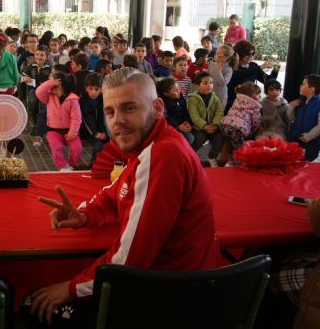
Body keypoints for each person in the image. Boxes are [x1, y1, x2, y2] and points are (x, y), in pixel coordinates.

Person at [26, 68, 220, 327]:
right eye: (110, 112)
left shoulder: (164, 155)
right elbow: (118, 189)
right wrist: (85, 214)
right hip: (176, 283)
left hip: (168, 298)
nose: (117, 121)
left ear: (158, 108)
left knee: (32, 306)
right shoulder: (152, 144)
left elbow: (128, 261)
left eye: (130, 109)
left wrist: (70, 288)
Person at [35, 72, 82, 172]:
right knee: (56, 148)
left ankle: (69, 165)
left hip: (69, 131)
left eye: (52, 83)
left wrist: (73, 132)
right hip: (53, 130)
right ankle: (62, 166)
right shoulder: (49, 96)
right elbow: (38, 92)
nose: (49, 86)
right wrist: (51, 82)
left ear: (59, 85)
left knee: (77, 148)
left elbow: (76, 117)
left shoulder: (72, 99)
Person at [228, 40, 277, 111]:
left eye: (252, 54)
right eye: (248, 54)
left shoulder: (253, 66)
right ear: (240, 53)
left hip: (251, 101)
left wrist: (275, 70)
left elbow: (268, 81)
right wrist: (260, 68)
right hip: (234, 101)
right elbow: (241, 75)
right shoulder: (232, 66)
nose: (251, 56)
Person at [187, 72, 224, 166]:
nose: (209, 85)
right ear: (197, 87)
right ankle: (190, 157)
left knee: (219, 138)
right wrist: (204, 126)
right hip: (199, 127)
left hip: (213, 126)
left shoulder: (215, 98)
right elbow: (194, 115)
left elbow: (219, 112)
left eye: (211, 83)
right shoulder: (192, 99)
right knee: (198, 139)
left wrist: (215, 124)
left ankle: (212, 157)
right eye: (205, 83)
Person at [220, 82, 262, 160]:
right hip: (237, 129)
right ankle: (236, 164)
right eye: (258, 95)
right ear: (252, 96)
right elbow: (256, 121)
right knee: (239, 149)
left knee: (227, 144)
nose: (260, 97)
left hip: (224, 125)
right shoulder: (255, 106)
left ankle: (222, 160)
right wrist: (252, 131)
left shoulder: (237, 99)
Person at [288, 74, 320, 162]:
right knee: (291, 161)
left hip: (310, 142)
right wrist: (291, 106)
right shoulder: (300, 101)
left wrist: (308, 136)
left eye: (303, 84)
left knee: (304, 164)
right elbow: (291, 118)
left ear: (312, 89)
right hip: (294, 139)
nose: (300, 86)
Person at [22, 45, 51, 145]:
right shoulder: (31, 66)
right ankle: (35, 123)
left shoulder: (49, 67)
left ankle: (43, 126)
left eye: (42, 55)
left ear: (46, 56)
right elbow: (23, 76)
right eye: (37, 54)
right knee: (33, 102)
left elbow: (52, 79)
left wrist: (47, 83)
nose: (39, 57)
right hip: (33, 90)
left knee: (44, 107)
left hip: (45, 92)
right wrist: (25, 78)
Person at [79, 73, 108, 163]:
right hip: (87, 131)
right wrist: (95, 133)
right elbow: (86, 119)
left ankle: (107, 165)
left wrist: (103, 132)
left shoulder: (102, 98)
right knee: (98, 146)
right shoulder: (83, 100)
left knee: (111, 143)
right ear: (86, 88)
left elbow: (102, 118)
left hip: (99, 130)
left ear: (101, 89)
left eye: (96, 89)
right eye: (90, 89)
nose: (93, 92)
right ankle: (93, 166)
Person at [158, 77, 193, 145]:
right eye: (176, 90)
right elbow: (166, 118)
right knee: (189, 138)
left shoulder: (180, 96)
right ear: (166, 94)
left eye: (179, 89)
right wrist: (178, 126)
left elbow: (185, 110)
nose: (179, 91)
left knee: (194, 136)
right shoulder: (164, 103)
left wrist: (187, 121)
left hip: (183, 124)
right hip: (172, 127)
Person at [208, 44, 237, 109]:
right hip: (209, 94)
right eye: (216, 53)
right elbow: (207, 77)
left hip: (221, 96)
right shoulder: (212, 64)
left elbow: (223, 83)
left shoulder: (229, 69)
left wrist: (218, 72)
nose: (216, 55)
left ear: (227, 57)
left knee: (218, 115)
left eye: (218, 53)